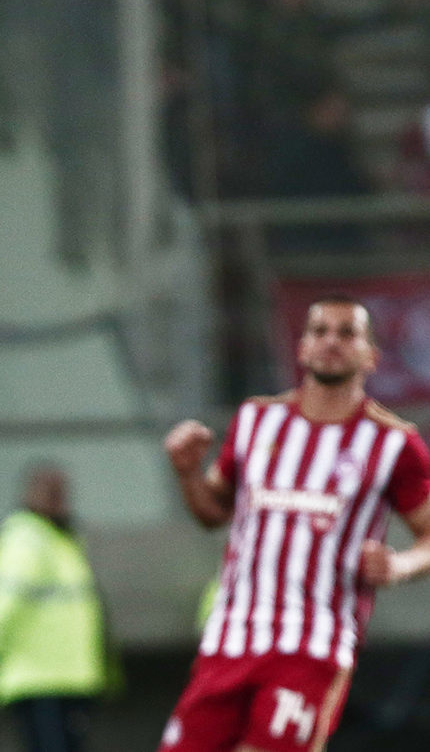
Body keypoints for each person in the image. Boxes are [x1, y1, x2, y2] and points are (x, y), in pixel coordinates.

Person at [158, 295, 430, 752]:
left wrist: (399, 566)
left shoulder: (393, 443)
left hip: (314, 645)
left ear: (370, 356)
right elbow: (213, 513)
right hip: (230, 638)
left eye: (347, 333)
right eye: (319, 331)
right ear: (302, 348)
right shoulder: (255, 421)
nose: (331, 341)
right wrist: (187, 473)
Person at [0, 463, 110, 752]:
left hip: (69, 675)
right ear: (29, 493)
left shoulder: (62, 538)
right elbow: (1, 607)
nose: (58, 499)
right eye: (49, 491)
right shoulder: (25, 538)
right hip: (37, 678)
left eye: (61, 491)